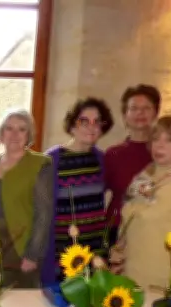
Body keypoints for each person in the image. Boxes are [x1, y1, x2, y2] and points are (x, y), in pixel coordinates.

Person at [111, 115, 171, 290]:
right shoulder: (144, 175)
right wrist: (118, 253)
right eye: (156, 139)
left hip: (165, 280)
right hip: (130, 274)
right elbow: (128, 220)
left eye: (170, 140)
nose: (159, 145)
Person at [43, 98, 113, 287]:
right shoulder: (52, 159)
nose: (91, 127)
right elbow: (41, 208)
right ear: (72, 125)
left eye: (97, 121)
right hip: (62, 249)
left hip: (94, 248)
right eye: (84, 121)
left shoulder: (101, 159)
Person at [0, 109, 53, 288]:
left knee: (21, 305)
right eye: (9, 128)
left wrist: (32, 255)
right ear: (1, 133)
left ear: (29, 135)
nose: (14, 134)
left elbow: (44, 214)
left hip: (22, 246)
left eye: (22, 129)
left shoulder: (40, 164)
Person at [104, 84, 161, 245]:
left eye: (146, 108)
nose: (140, 113)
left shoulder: (166, 153)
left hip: (156, 229)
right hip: (117, 229)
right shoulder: (113, 154)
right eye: (133, 108)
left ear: (156, 113)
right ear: (125, 115)